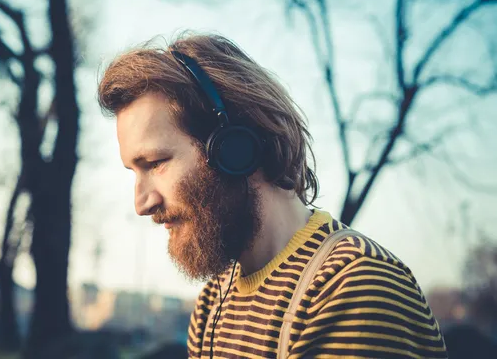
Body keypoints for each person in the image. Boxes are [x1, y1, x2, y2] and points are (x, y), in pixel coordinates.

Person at [97, 33, 447, 358]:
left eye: (155, 163)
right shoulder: (210, 305)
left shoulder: (353, 287)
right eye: (134, 172)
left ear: (233, 148)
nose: (142, 204)